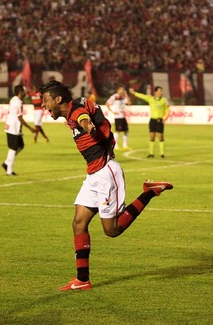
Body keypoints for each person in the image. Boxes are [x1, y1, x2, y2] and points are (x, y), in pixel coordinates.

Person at [39, 80, 173, 291]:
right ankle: (82, 280)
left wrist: (88, 126)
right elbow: (87, 112)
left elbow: (83, 117)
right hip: (93, 173)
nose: (43, 106)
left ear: (59, 99)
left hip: (106, 173)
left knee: (112, 230)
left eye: (46, 101)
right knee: (78, 223)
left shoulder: (76, 111)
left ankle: (149, 192)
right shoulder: (76, 107)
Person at [2, 85, 35, 176]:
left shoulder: (16, 100)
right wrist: (30, 128)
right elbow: (19, 117)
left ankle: (6, 163)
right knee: (13, 148)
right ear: (20, 92)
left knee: (21, 145)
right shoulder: (16, 102)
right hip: (13, 128)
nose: (26, 92)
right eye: (24, 91)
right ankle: (9, 170)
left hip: (15, 128)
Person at [129, 86, 171, 158]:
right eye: (160, 91)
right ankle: (151, 153)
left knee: (160, 137)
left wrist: (165, 118)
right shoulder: (151, 99)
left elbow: (167, 109)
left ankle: (162, 154)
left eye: (161, 91)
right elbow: (142, 96)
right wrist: (134, 93)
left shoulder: (164, 100)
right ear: (156, 92)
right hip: (152, 120)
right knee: (152, 137)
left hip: (160, 120)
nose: (161, 92)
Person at [105, 85, 131, 150]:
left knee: (126, 131)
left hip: (123, 116)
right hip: (118, 117)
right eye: (121, 90)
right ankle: (116, 145)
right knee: (117, 131)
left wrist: (126, 94)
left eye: (123, 90)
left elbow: (129, 102)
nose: (122, 91)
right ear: (118, 90)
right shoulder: (114, 97)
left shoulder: (123, 97)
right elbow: (107, 104)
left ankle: (125, 145)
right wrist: (113, 112)